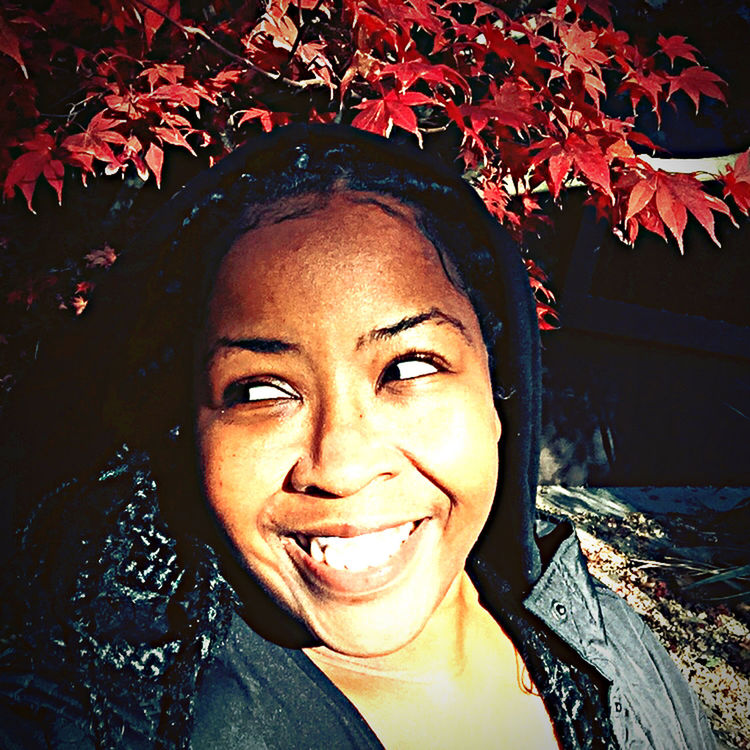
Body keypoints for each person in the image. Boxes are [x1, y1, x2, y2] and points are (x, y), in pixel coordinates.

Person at [0, 124, 715, 749]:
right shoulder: (106, 719)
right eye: (259, 391)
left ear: (500, 394)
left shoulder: (604, 642)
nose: (339, 465)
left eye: (406, 368)